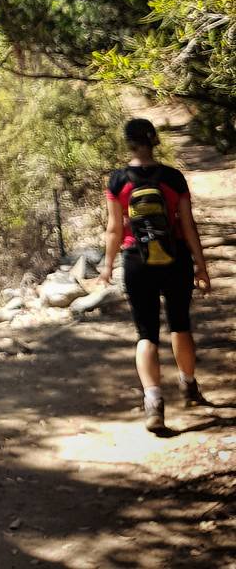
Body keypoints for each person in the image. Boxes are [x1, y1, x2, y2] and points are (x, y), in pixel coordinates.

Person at [98, 117, 211, 433]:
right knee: (180, 325)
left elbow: (114, 228)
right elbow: (188, 225)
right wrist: (201, 265)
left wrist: (108, 266)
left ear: (129, 143)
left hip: (136, 261)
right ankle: (188, 386)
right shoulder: (173, 179)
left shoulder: (118, 181)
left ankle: (153, 403)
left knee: (145, 333)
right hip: (175, 259)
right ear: (154, 140)